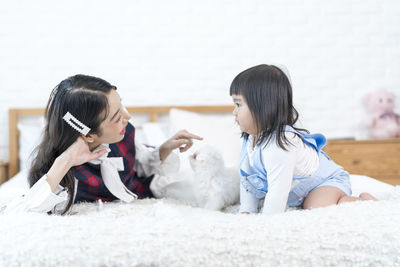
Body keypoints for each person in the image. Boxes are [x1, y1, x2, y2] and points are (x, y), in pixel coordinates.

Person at [4, 74, 202, 214]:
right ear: (89, 135)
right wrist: (66, 160)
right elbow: (25, 211)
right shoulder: (60, 173)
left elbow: (140, 165)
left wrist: (166, 146)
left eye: (122, 105)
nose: (128, 117)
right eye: (117, 118)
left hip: (142, 196)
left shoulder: (123, 134)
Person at [230, 64, 376, 215]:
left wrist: (267, 223)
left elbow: (278, 192)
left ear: (262, 106)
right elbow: (247, 178)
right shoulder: (251, 139)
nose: (234, 112)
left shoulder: (280, 144)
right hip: (298, 191)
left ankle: (362, 202)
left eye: (238, 104)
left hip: (325, 182)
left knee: (316, 207)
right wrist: (246, 211)